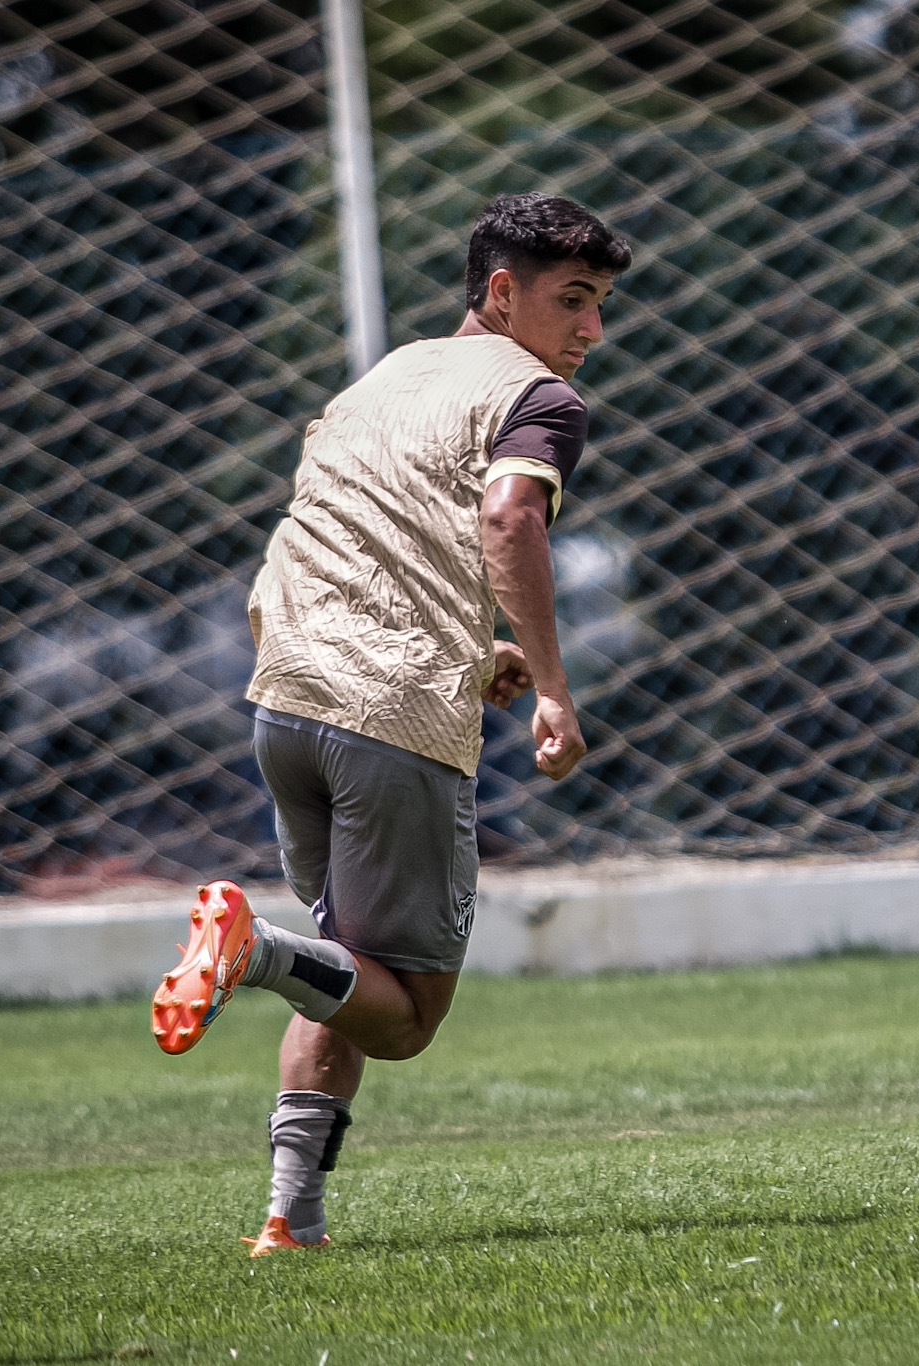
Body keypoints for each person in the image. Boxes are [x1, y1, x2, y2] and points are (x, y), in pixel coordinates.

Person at [150, 192, 631, 1254]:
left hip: (284, 701)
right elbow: (506, 518)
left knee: (347, 974)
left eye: (599, 304)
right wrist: (550, 683)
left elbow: (338, 539)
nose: (590, 331)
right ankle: (250, 947)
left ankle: (291, 1219)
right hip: (394, 720)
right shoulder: (536, 396)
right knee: (405, 1016)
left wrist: (480, 648)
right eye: (573, 301)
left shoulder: (380, 379)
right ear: (500, 294)